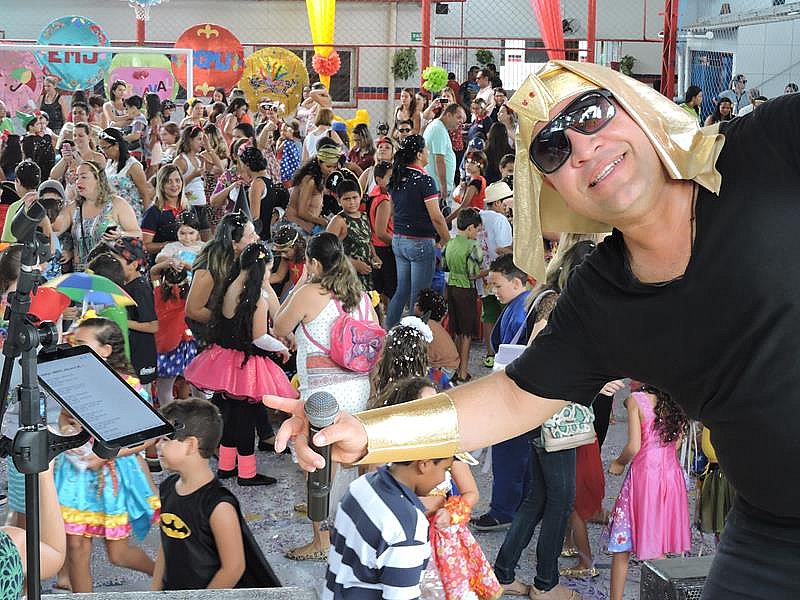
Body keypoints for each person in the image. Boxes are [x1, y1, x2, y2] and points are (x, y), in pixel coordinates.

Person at [269, 60, 800, 600]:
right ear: (553, 189)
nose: (582, 148)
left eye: (590, 114)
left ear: (638, 107)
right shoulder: (601, 298)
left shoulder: (762, 150)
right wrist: (367, 432)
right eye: (553, 148)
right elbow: (513, 397)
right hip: (772, 535)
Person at [271, 231, 378, 561]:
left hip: (324, 394)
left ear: (315, 263)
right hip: (358, 386)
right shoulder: (359, 294)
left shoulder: (310, 292)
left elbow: (279, 327)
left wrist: (300, 283)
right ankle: (361, 523)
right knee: (356, 457)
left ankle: (321, 541)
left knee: (318, 464)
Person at [56, 317, 158, 593]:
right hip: (76, 475)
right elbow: (64, 417)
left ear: (106, 350)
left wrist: (105, 455)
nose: (74, 348)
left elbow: (148, 436)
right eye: (74, 342)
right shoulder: (72, 379)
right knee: (76, 546)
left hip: (113, 473)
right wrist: (67, 429)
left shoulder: (129, 386)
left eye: (82, 343)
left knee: (118, 554)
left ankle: (164, 575)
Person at [184, 242, 296, 486]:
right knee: (245, 420)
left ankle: (226, 466)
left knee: (230, 415)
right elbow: (259, 337)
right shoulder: (256, 298)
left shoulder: (229, 286)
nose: (268, 275)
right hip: (246, 366)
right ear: (260, 268)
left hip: (225, 360)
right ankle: (247, 473)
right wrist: (281, 348)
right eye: (268, 269)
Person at [154, 398, 280, 590]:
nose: (158, 445)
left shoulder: (218, 506)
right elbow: (166, 545)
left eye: (165, 439)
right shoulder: (167, 487)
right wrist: (155, 591)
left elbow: (233, 568)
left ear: (191, 445)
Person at [323, 454, 453, 598]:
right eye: (445, 469)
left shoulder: (362, 483)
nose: (443, 479)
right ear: (424, 464)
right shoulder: (407, 528)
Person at [608, 385, 691, 600]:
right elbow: (677, 443)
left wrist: (618, 463)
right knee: (657, 543)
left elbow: (634, 446)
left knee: (623, 542)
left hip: (645, 477)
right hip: (671, 477)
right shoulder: (678, 401)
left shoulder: (636, 400)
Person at [386, 135, 450, 327]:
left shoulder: (397, 177)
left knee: (402, 291)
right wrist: (448, 239)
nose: (428, 152)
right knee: (419, 297)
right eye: (426, 149)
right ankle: (414, 338)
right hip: (420, 242)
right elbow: (436, 217)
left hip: (399, 239)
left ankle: (389, 332)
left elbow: (392, 211)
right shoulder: (424, 180)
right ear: (419, 154)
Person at [185, 212, 259, 344]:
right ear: (234, 244)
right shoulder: (209, 266)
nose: (257, 237)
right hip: (207, 337)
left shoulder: (245, 258)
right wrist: (229, 322)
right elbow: (193, 310)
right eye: (251, 235)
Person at [54, 160, 141, 271]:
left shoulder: (117, 204)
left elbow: (138, 234)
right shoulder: (74, 207)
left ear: (99, 179)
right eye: (77, 178)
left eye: (84, 177)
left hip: (109, 273)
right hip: (81, 274)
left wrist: (121, 234)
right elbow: (55, 230)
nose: (78, 181)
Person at [110, 237, 159, 386]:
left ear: (133, 264)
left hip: (141, 355)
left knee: (140, 393)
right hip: (131, 350)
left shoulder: (140, 288)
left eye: (117, 262)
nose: (113, 266)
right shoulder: (125, 283)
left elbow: (153, 326)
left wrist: (122, 322)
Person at [442, 208, 483, 383]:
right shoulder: (473, 246)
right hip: (466, 290)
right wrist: (489, 270)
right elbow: (473, 274)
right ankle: (463, 372)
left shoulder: (449, 243)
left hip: (451, 287)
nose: (477, 233)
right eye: (477, 230)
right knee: (467, 333)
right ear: (470, 228)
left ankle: (455, 368)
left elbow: (444, 266)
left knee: (457, 330)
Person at [477, 181, 514, 368]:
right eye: (507, 201)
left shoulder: (479, 216)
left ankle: (490, 354)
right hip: (501, 274)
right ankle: (504, 354)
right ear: (498, 202)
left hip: (482, 276)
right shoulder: (500, 220)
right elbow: (502, 249)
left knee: (488, 315)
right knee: (506, 312)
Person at [326, 177, 377, 291]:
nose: (352, 202)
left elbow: (367, 240)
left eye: (355, 197)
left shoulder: (364, 216)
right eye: (347, 199)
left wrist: (374, 256)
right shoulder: (338, 221)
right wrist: (353, 263)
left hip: (365, 274)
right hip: (347, 276)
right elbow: (327, 250)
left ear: (360, 197)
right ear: (339, 200)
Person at [285, 145, 340, 236]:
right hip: (297, 226)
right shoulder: (310, 180)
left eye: (334, 167)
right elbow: (302, 212)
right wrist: (323, 221)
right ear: (319, 162)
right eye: (328, 166)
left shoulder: (319, 177)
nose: (331, 170)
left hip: (307, 226)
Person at [99, 127, 153, 219]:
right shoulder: (110, 163)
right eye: (101, 148)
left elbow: (145, 194)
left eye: (105, 148)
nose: (103, 152)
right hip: (113, 213)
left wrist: (146, 220)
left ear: (116, 145)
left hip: (131, 214)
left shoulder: (133, 166)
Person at [141, 164, 190, 258]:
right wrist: (168, 245)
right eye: (168, 181)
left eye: (177, 180)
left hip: (188, 260)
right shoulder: (153, 213)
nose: (174, 185)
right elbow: (145, 246)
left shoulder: (189, 208)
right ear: (161, 185)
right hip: (162, 262)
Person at [423, 103, 466, 207]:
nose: (460, 122)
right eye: (458, 117)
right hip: (437, 188)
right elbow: (439, 160)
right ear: (448, 115)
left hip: (436, 186)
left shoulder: (438, 127)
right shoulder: (438, 129)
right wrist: (444, 187)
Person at [366, 161, 395, 305]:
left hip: (377, 247)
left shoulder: (374, 193)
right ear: (378, 179)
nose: (393, 179)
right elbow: (381, 232)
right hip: (384, 248)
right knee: (389, 290)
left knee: (381, 289)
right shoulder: (383, 200)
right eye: (390, 177)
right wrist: (398, 244)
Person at [449, 149, 487, 224]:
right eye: (467, 161)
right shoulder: (477, 180)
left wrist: (447, 220)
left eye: (473, 163)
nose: (468, 165)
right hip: (472, 218)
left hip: (471, 220)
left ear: (481, 166)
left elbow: (463, 206)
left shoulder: (476, 182)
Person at [276, 118, 302, 188]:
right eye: (281, 130)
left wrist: (278, 142)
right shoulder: (296, 142)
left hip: (287, 172)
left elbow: (278, 150)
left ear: (291, 131)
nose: (282, 133)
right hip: (293, 172)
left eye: (285, 130)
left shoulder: (286, 142)